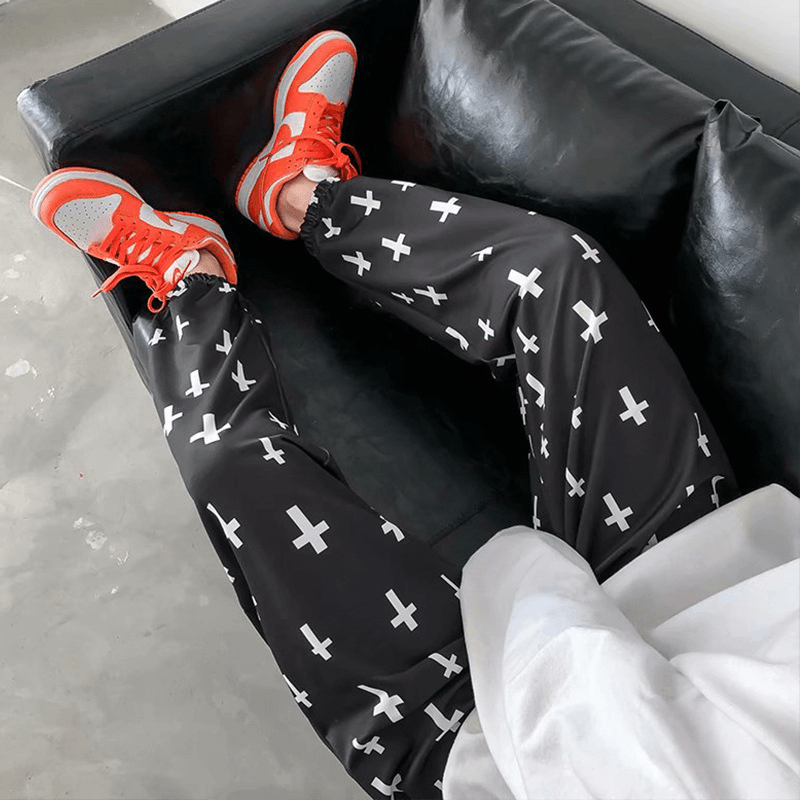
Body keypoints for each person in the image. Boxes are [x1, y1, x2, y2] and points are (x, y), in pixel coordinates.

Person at [30, 30, 799, 800]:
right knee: (560, 270)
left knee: (229, 466)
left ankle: (192, 277)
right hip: (708, 585)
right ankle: (300, 195)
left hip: (476, 748)